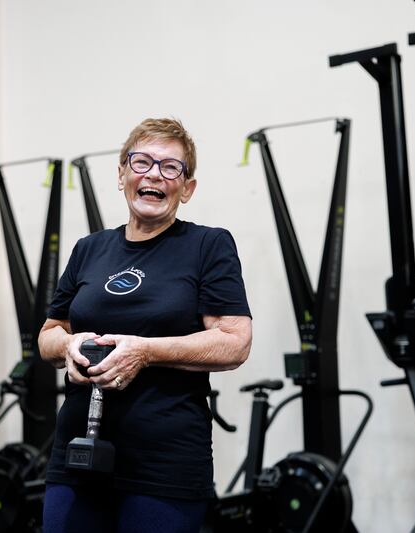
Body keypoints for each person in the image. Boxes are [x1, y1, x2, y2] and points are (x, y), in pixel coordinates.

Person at [38, 117, 252, 533]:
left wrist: (146, 351)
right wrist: (68, 346)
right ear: (122, 175)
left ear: (186, 188)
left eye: (171, 167)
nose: (154, 174)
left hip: (163, 462)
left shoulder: (207, 246)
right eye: (142, 162)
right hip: (78, 452)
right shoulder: (89, 249)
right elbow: (48, 334)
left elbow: (234, 342)